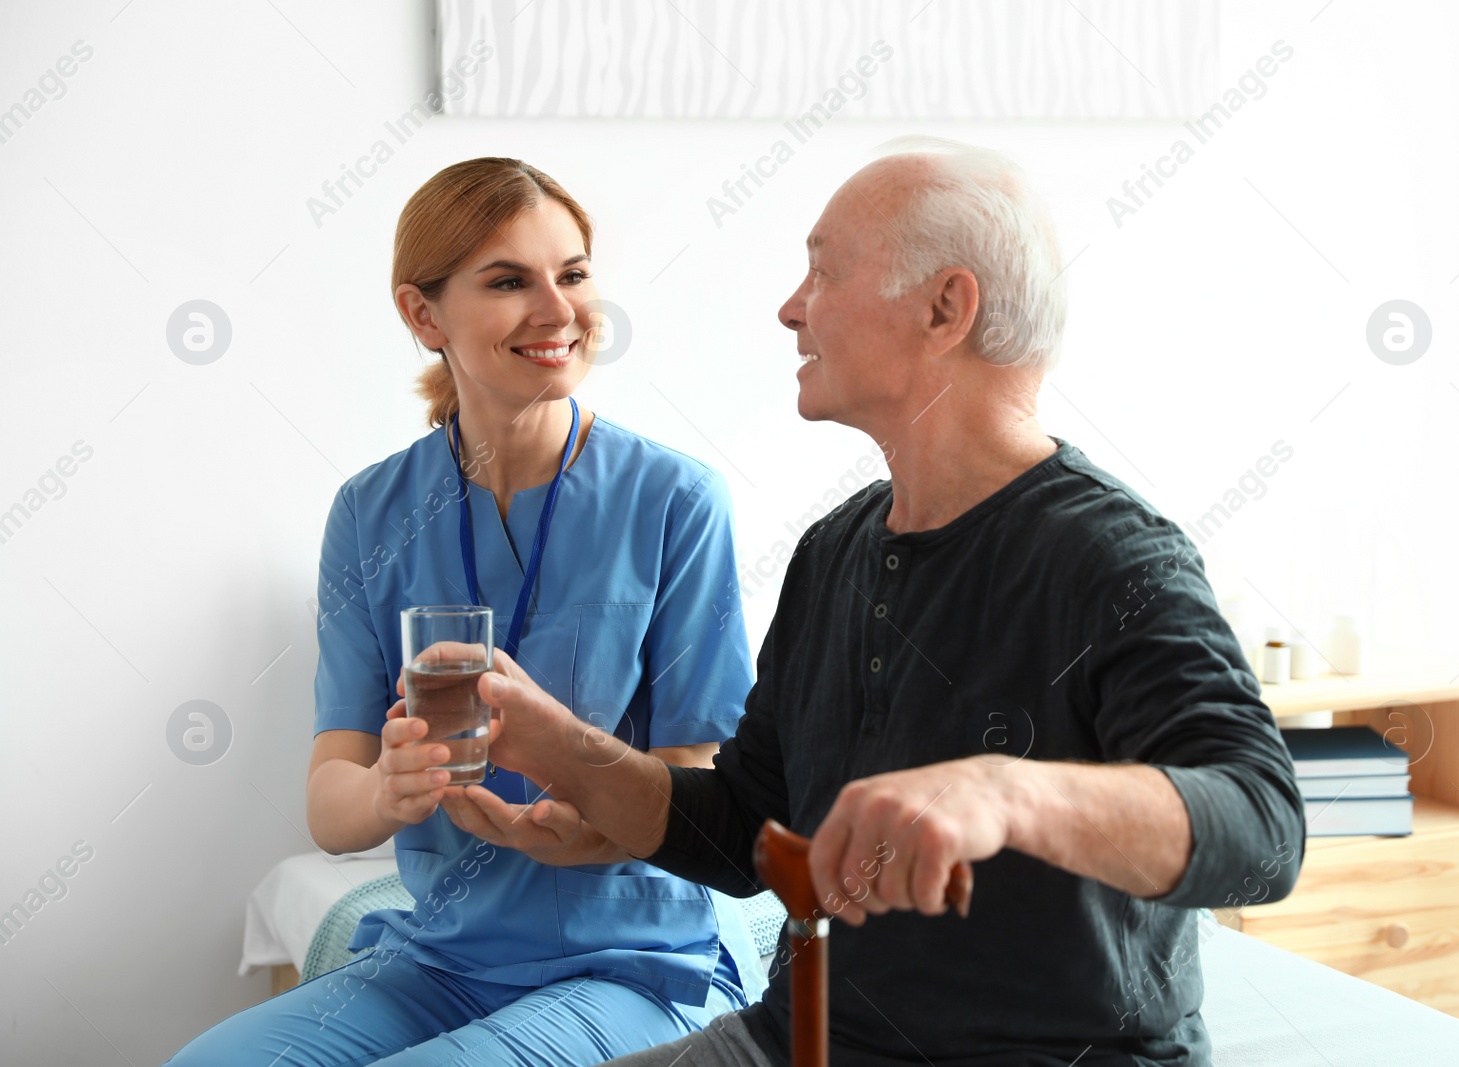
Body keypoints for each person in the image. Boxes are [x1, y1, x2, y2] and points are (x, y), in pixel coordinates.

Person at [456, 138, 1307, 1067]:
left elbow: (1263, 828)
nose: (790, 308)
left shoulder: (1108, 555)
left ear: (946, 307)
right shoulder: (835, 551)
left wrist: (1008, 790)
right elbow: (750, 830)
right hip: (806, 1039)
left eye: (822, 270)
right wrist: (551, 742)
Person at [165, 158, 766, 1066]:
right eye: (508, 281)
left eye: (572, 274)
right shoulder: (370, 512)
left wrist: (594, 825)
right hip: (441, 957)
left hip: (630, 962)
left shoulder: (675, 499)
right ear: (423, 314)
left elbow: (701, 779)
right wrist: (385, 791)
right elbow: (333, 802)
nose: (559, 311)